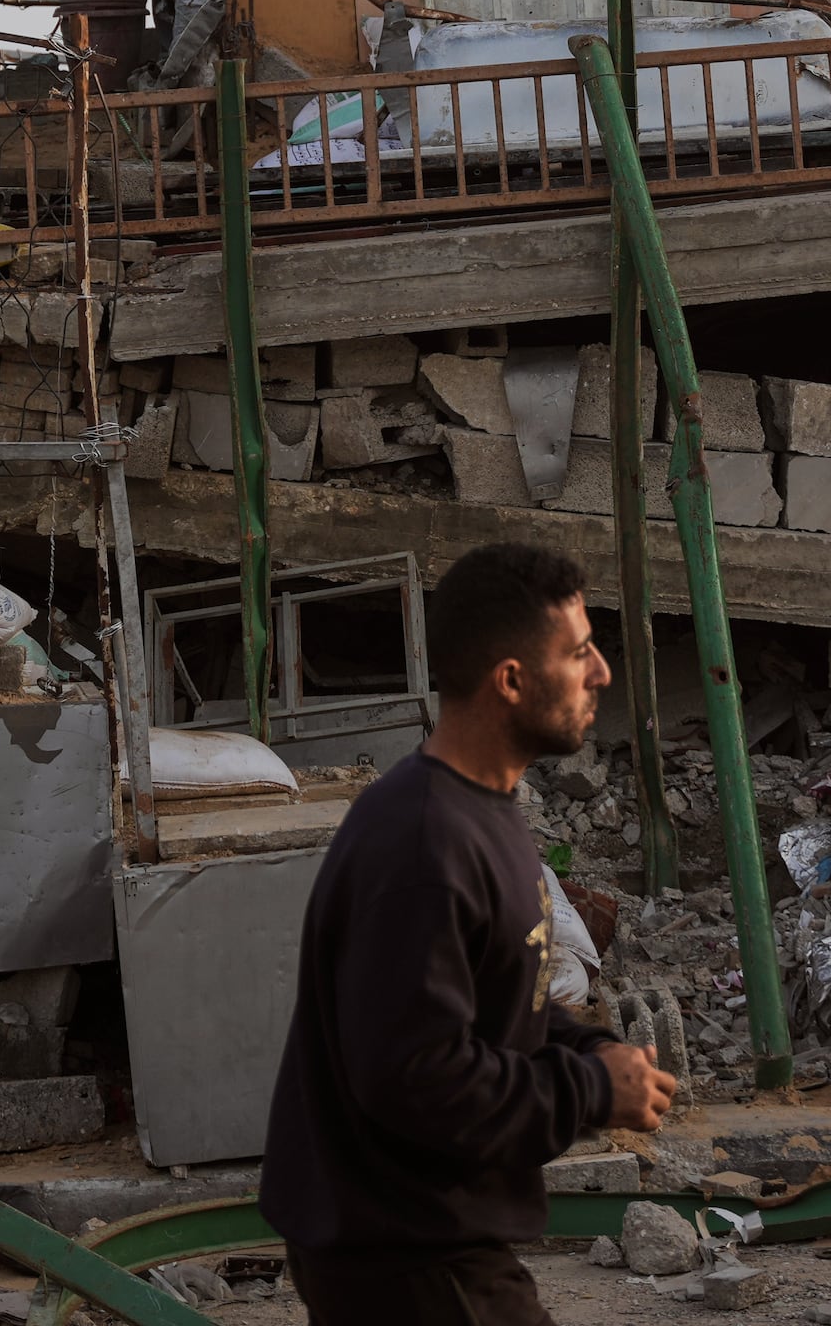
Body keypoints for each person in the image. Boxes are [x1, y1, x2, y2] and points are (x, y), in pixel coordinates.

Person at [262, 542, 681, 1324]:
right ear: (512, 680)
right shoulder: (425, 841)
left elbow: (487, 1001)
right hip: (408, 1257)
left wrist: (585, 1047)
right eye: (579, 653)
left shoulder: (480, 810)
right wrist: (592, 1091)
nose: (602, 674)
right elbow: (419, 1077)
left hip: (428, 1242)